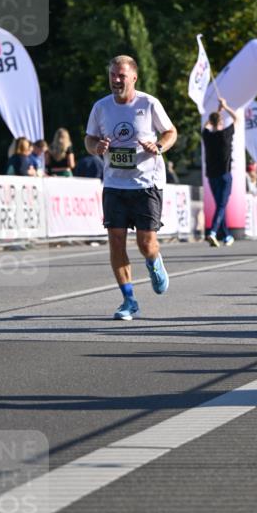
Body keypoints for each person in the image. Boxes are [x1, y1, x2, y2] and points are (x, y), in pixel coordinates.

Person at [84, 54, 177, 320]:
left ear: (133, 77)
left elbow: (171, 132)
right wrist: (96, 147)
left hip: (147, 183)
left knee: (146, 243)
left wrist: (158, 147)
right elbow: (89, 139)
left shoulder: (148, 104)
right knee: (115, 241)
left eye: (121, 75)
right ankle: (128, 300)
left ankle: (153, 261)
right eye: (112, 75)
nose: (115, 80)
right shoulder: (101, 107)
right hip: (114, 183)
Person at [202, 97, 238, 247]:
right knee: (222, 205)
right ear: (221, 123)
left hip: (211, 175)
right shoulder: (226, 134)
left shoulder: (207, 136)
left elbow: (206, 126)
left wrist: (217, 112)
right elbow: (236, 118)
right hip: (224, 174)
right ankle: (213, 232)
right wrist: (225, 106)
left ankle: (227, 236)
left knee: (219, 205)